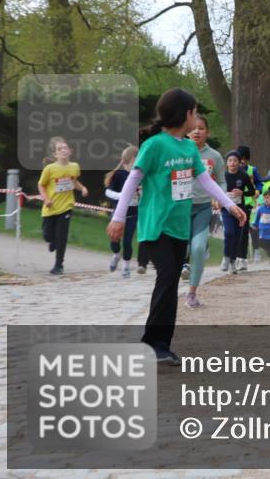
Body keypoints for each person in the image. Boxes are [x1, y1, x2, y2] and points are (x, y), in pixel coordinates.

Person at [107, 88, 246, 364]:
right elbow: (133, 180)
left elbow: (205, 181)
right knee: (168, 277)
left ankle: (162, 345)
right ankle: (151, 343)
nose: (197, 119)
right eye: (195, 112)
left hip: (179, 226)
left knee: (171, 284)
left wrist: (229, 203)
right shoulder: (155, 145)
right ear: (187, 114)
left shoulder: (186, 147)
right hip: (155, 226)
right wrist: (119, 217)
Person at [183, 114, 225, 307]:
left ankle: (191, 293)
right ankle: (182, 267)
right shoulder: (179, 151)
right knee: (182, 247)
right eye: (193, 128)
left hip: (203, 207)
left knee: (198, 248)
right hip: (179, 207)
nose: (196, 131)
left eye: (201, 128)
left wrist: (219, 196)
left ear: (207, 132)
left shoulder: (214, 156)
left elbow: (222, 180)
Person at [38, 136, 88, 275]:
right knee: (48, 235)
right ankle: (52, 241)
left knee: (62, 237)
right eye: (60, 149)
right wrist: (46, 199)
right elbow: (41, 185)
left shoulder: (74, 167)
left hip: (66, 207)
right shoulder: (49, 169)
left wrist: (82, 188)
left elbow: (74, 181)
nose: (63, 150)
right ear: (55, 154)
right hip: (50, 207)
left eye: (65, 148)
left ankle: (59, 265)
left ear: (70, 151)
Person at [105, 145, 139, 278]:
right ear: (130, 159)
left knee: (127, 241)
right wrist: (122, 196)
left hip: (133, 213)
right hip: (118, 215)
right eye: (137, 159)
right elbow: (108, 192)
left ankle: (126, 266)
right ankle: (116, 254)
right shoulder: (119, 175)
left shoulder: (139, 176)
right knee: (114, 240)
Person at [222, 151, 256, 273]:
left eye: (235, 160)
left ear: (239, 163)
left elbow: (252, 191)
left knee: (237, 237)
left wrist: (242, 193)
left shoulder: (243, 175)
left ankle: (232, 262)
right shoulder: (223, 176)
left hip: (240, 209)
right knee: (229, 233)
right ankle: (226, 257)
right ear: (226, 163)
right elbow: (216, 189)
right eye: (230, 160)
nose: (232, 163)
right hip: (226, 209)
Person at [253, 190, 270, 265]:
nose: (266, 199)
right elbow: (256, 220)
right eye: (264, 198)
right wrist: (254, 226)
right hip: (263, 234)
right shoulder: (260, 209)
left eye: (268, 198)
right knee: (261, 244)